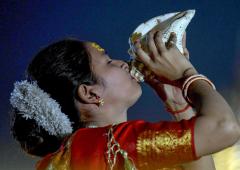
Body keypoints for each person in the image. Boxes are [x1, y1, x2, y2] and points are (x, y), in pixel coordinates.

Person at [9, 30, 240, 170]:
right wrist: (187, 75)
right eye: (108, 62)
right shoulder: (103, 145)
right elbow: (225, 128)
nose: (122, 63)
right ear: (90, 94)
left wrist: (179, 104)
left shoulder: (86, 151)